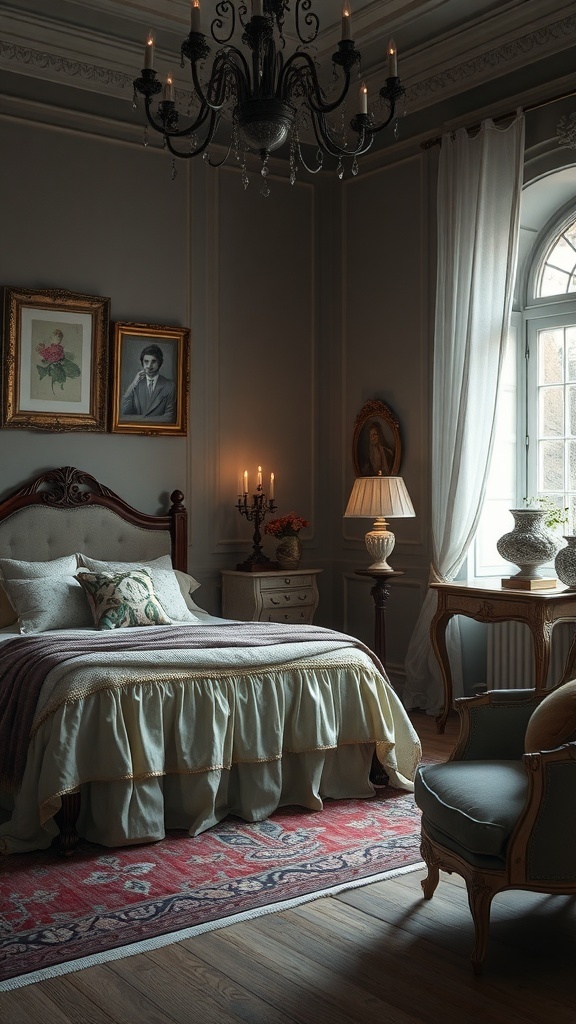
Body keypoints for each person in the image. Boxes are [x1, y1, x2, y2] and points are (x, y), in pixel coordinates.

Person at [121, 343, 177, 422]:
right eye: (146, 362)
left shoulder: (170, 385)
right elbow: (123, 413)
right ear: (142, 362)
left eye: (153, 362)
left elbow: (169, 418)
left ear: (159, 363)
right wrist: (133, 384)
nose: (149, 366)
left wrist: (139, 419)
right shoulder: (136, 384)